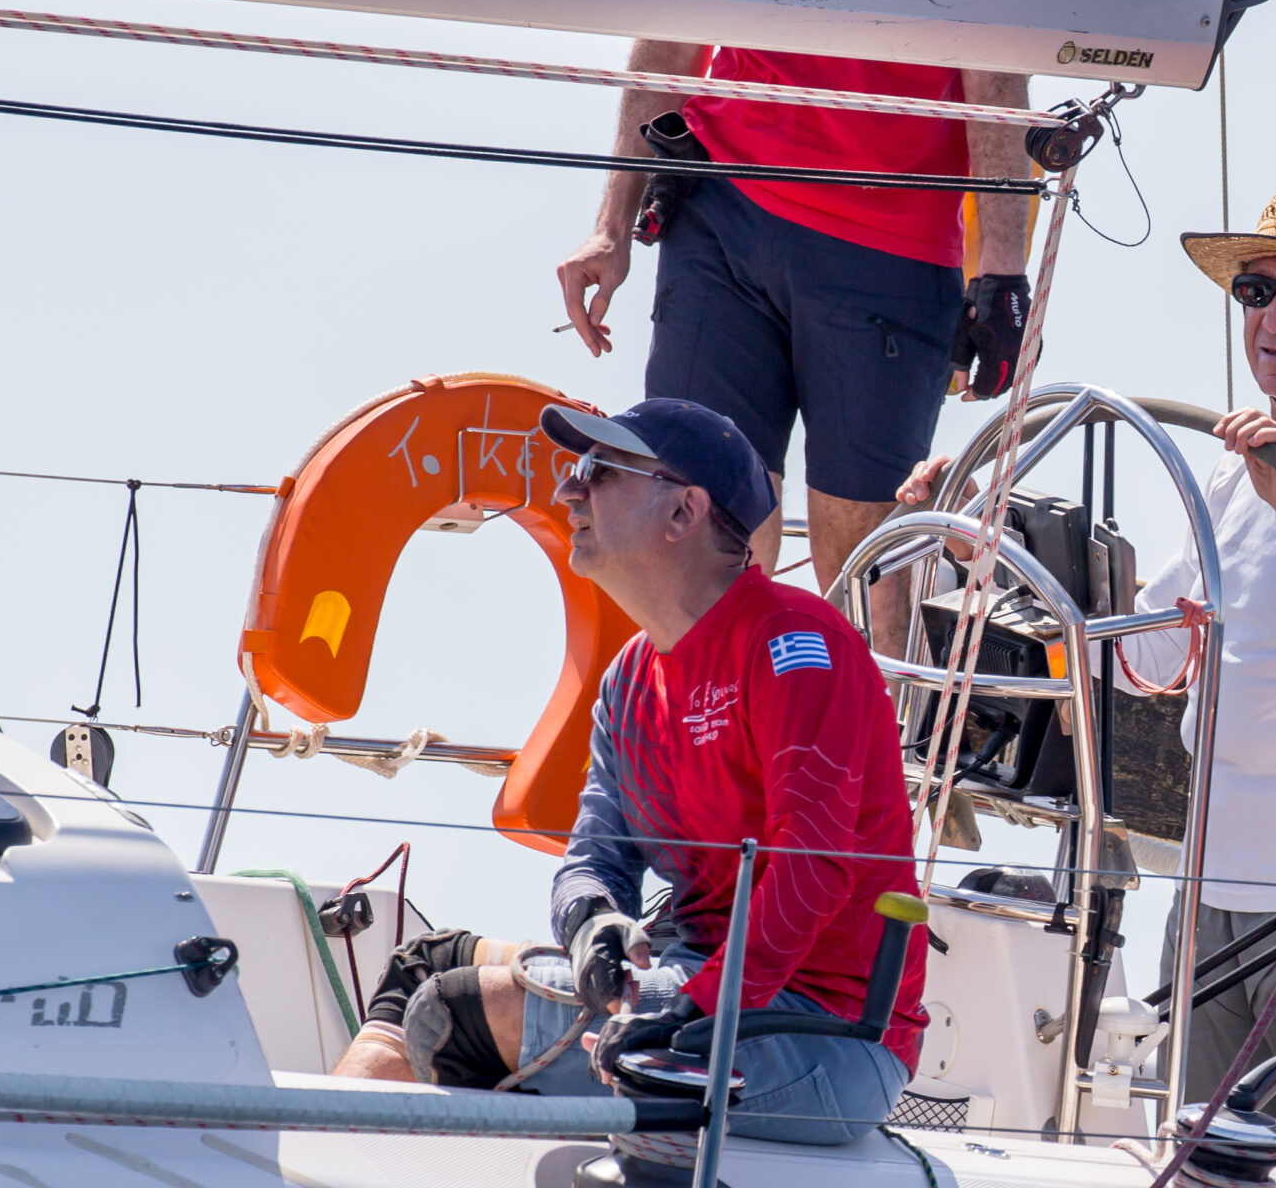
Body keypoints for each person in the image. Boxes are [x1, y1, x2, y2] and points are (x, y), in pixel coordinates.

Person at [905, 173, 1276, 1168]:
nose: (1272, 319)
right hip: (1214, 895)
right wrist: (992, 553)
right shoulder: (1229, 465)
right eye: (1255, 292)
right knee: (1193, 1165)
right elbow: (1151, 651)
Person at [331, 398, 926, 1144]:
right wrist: (594, 925)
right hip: (704, 989)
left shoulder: (796, 644)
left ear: (683, 512)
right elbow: (594, 856)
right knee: (429, 965)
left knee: (453, 1014)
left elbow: (812, 868)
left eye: (599, 470)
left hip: (826, 1034)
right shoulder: (629, 679)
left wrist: (699, 1005)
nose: (569, 490)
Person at [554, 41, 1034, 613]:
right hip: (720, 207)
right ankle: (715, 703)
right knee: (700, 519)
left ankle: (870, 699)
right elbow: (669, 38)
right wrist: (611, 224)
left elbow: (994, 60)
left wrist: (1004, 269)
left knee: (863, 556)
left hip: (889, 240)